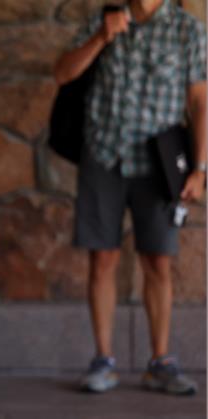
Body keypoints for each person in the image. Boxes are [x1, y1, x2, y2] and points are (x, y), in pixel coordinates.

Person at [54, 0, 206, 395]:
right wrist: (103, 36)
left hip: (159, 165)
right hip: (103, 155)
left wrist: (199, 167)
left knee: (159, 260)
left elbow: (200, 101)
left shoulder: (187, 30)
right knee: (101, 258)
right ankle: (103, 360)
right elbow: (62, 73)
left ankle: (161, 362)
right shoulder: (102, 20)